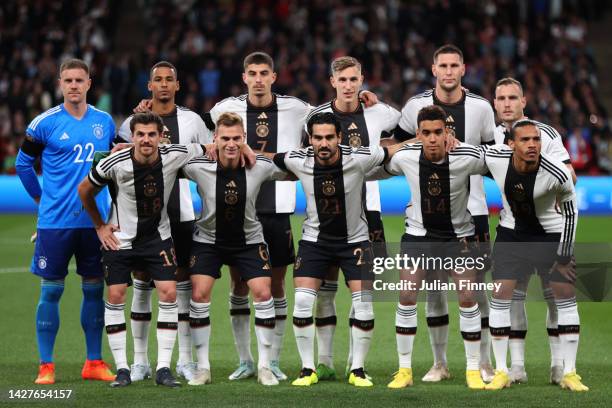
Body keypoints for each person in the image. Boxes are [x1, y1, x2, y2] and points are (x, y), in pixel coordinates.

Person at [203, 51, 379, 381]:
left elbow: (328, 120)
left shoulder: (298, 108)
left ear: (273, 76)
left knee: (276, 285)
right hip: (236, 208)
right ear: (244, 77)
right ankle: (246, 359)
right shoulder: (222, 109)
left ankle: (274, 360)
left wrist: (361, 98)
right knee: (239, 283)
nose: (257, 79)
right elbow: (199, 133)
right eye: (251, 73)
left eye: (263, 73)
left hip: (277, 207)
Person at [271, 112, 406, 388]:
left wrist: (424, 139)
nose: (323, 143)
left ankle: (357, 369)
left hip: (355, 241)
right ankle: (308, 368)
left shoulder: (359, 158)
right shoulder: (299, 159)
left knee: (364, 305)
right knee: (304, 303)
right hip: (314, 241)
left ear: (340, 138)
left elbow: (391, 150)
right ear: (310, 139)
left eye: (329, 137)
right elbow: (269, 157)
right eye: (318, 138)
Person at [78, 112, 205, 388]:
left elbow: (211, 147)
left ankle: (162, 368)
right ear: (132, 136)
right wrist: (100, 226)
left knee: (169, 293)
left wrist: (238, 146)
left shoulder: (174, 154)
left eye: (151, 134)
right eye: (140, 134)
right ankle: (124, 368)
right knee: (115, 294)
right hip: (120, 238)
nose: (146, 139)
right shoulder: (115, 162)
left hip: (158, 238)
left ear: (161, 137)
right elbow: (84, 189)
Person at [370, 105, 489, 390]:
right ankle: (404, 370)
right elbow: (374, 161)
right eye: (426, 133)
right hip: (418, 237)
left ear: (447, 132)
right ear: (418, 134)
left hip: (458, 237)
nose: (433, 138)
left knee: (467, 297)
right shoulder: (406, 158)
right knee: (407, 295)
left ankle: (473, 370)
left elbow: (501, 162)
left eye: (438, 132)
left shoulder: (467, 157)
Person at [396, 44, 496, 382]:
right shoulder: (414, 107)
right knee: (433, 290)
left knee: (474, 290)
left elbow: (494, 155)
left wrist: (463, 148)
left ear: (464, 69)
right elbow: (391, 144)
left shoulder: (481, 108)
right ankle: (439, 363)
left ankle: (482, 362)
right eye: (444, 65)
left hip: (473, 211)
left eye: (455, 65)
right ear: (434, 69)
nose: (449, 71)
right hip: (426, 215)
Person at [15, 58, 116, 385]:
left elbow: (113, 169)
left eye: (79, 80)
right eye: (68, 80)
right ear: (60, 84)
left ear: (89, 83)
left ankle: (94, 362)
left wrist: (113, 214)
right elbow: (23, 164)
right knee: (51, 293)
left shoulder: (105, 123)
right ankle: (46, 366)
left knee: (93, 291)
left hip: (94, 223)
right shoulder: (43, 123)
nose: (73, 85)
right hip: (55, 223)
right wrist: (41, 202)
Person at [305, 56, 401, 380]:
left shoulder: (380, 112)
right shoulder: (316, 117)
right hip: (326, 212)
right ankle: (326, 361)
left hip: (368, 211)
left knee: (363, 289)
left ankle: (354, 361)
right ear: (332, 81)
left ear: (362, 80)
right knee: (327, 289)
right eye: (342, 80)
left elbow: (403, 132)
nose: (348, 85)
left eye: (353, 79)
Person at [116, 61, 210, 383]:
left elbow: (207, 158)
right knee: (141, 284)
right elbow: (116, 172)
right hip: (141, 219)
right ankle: (140, 361)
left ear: (178, 85)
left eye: (170, 79)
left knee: (179, 287)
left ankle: (183, 360)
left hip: (181, 213)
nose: (165, 85)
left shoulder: (193, 120)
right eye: (159, 79)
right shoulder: (132, 122)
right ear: (150, 85)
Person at [181, 112, 289, 386]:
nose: (231, 144)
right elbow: (164, 156)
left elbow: (294, 166)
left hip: (249, 241)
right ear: (215, 139)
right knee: (199, 295)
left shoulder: (260, 165)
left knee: (264, 293)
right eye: (225, 138)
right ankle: (203, 367)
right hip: (208, 241)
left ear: (244, 140)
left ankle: (264, 366)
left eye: (237, 139)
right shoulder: (197, 166)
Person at [484, 119, 587, 392]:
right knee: (500, 298)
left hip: (548, 237)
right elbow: (472, 154)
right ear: (511, 145)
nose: (533, 145)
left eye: (536, 139)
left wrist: (564, 256)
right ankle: (503, 371)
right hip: (511, 237)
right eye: (526, 140)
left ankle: (570, 372)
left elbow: (571, 212)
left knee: (564, 297)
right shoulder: (495, 158)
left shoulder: (557, 172)